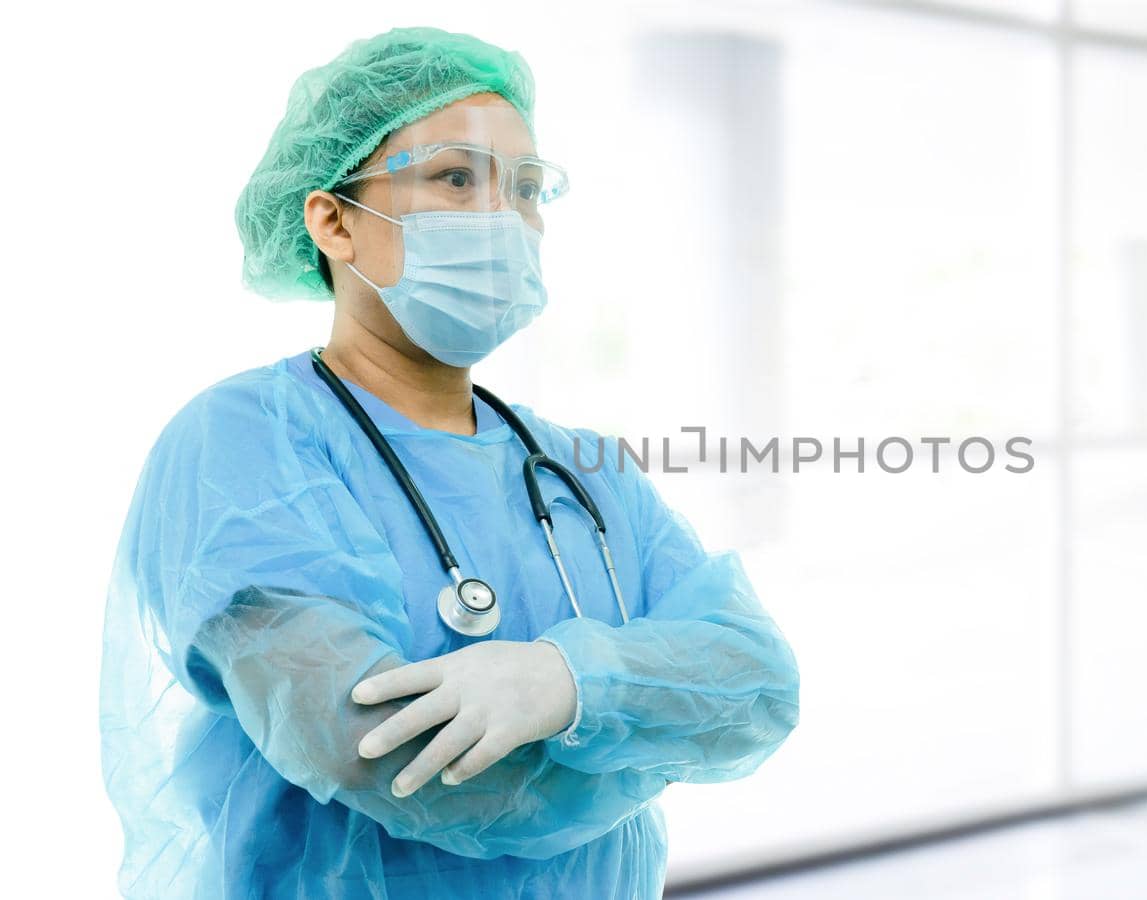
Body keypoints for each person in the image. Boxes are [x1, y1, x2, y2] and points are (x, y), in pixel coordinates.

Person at [98, 26, 801, 900]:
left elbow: (756, 684)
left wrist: (568, 681)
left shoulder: (580, 467)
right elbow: (376, 749)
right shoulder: (244, 439)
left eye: (529, 189)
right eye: (456, 178)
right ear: (334, 220)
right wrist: (631, 714)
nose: (504, 218)